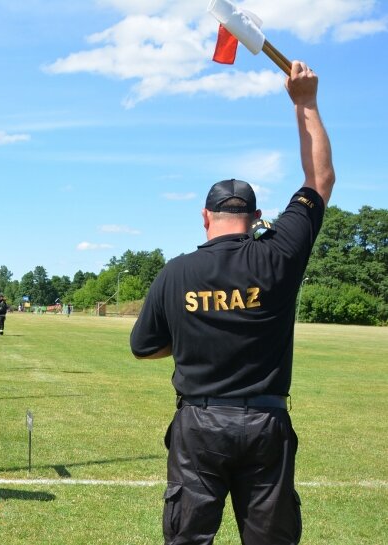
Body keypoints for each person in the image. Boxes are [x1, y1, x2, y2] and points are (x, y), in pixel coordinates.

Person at [129, 60, 334, 545]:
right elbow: (319, 180)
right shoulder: (279, 253)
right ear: (257, 216)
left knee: (187, 538)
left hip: (198, 423)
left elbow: (143, 348)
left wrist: (194, 337)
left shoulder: (176, 271)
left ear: (206, 216)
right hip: (266, 422)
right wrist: (304, 102)